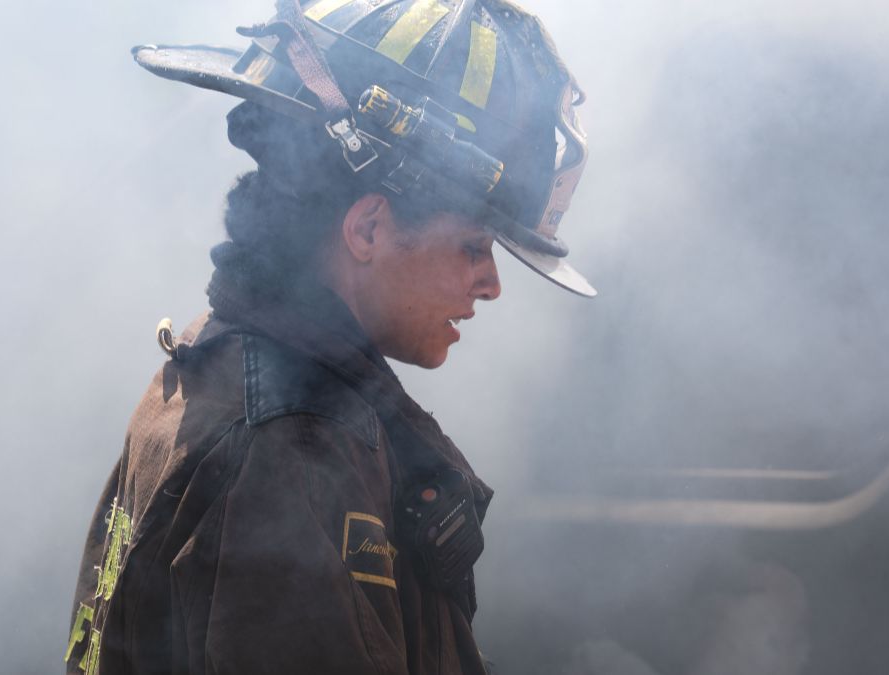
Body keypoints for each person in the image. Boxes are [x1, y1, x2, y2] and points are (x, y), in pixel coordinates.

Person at [64, 1, 595, 673]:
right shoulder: (286, 452)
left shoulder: (218, 367)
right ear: (368, 227)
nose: (490, 283)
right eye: (473, 244)